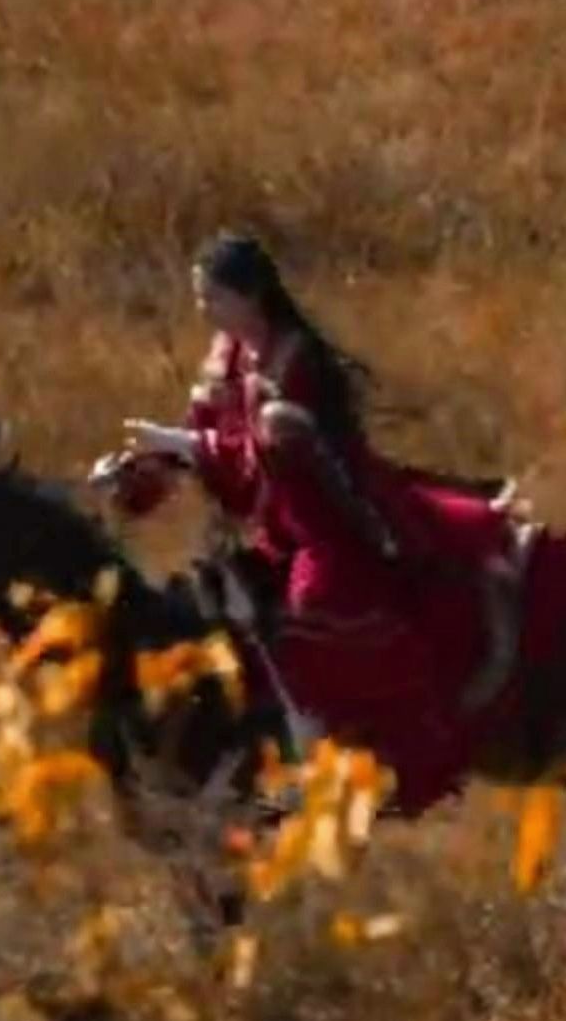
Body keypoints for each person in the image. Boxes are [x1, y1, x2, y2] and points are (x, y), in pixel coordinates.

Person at [95, 232, 527, 817]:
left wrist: (187, 445)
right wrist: (140, 470)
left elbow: (271, 456)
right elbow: (204, 437)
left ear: (250, 297)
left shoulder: (297, 362)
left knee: (316, 616)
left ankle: (346, 756)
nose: (205, 310)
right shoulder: (227, 357)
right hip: (267, 528)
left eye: (213, 297)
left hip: (328, 523)